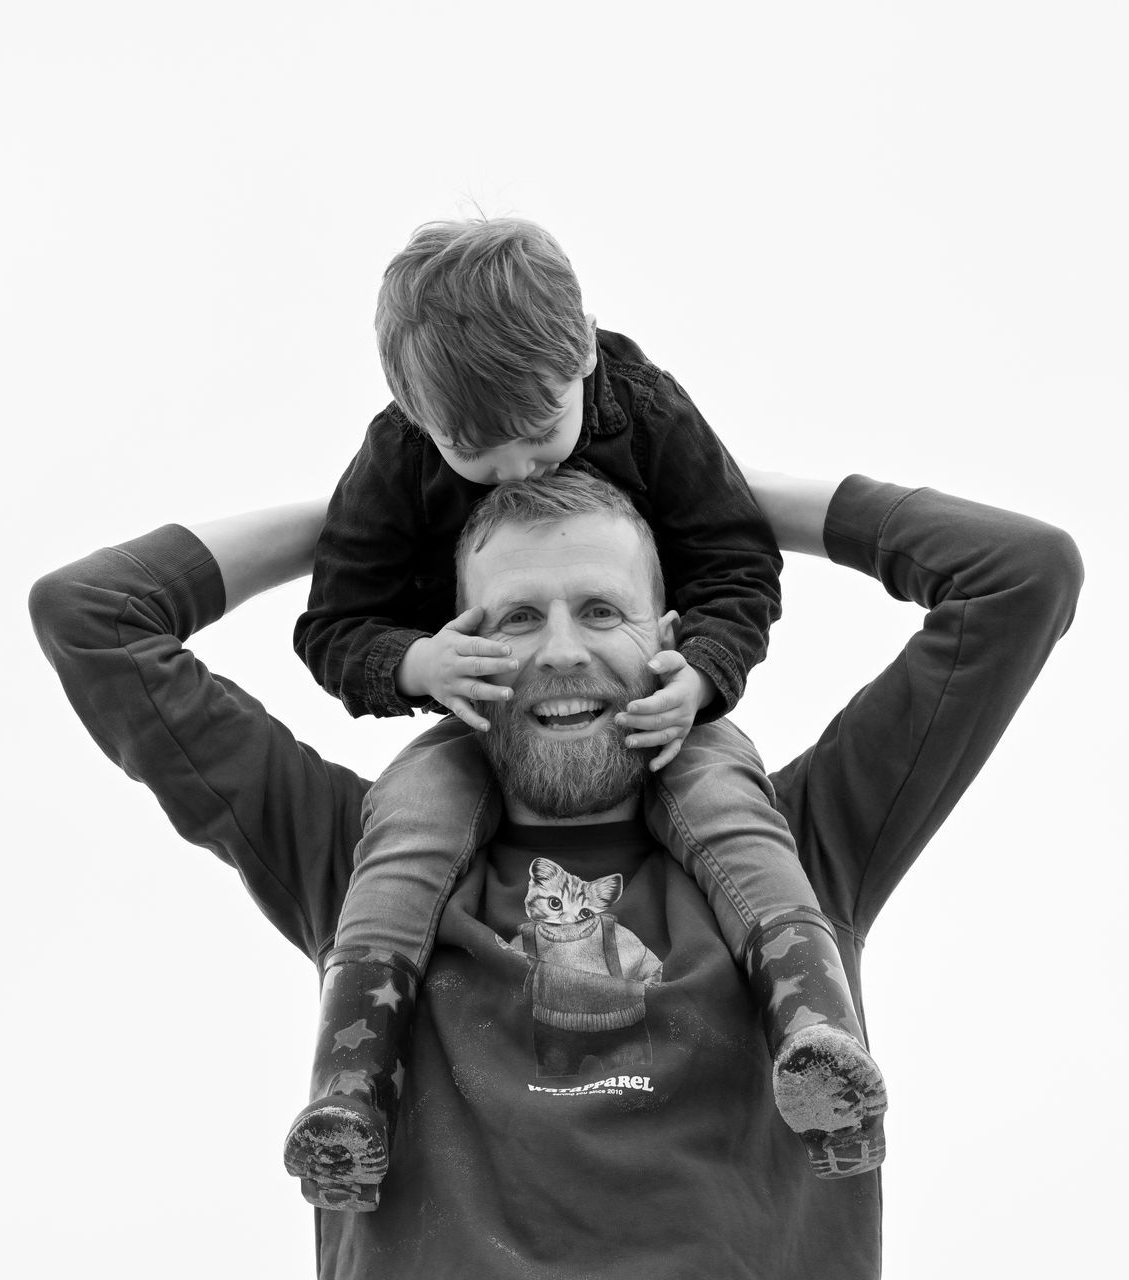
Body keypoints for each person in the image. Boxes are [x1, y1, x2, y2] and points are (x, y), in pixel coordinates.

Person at [28, 468, 1078, 1278]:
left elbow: (1022, 575)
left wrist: (710, 492)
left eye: (603, 610)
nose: (563, 650)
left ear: (672, 641)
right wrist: (370, 519)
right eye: (517, 617)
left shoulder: (798, 846)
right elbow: (92, 616)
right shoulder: (364, 862)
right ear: (454, 650)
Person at [288, 217, 872, 1209]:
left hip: (656, 706)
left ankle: (817, 1033)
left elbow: (737, 560)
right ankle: (351, 1087)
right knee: (407, 824)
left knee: (731, 805)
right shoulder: (395, 456)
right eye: (476, 454)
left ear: (586, 355)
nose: (521, 470)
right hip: (486, 720)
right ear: (416, 417)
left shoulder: (646, 408)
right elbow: (334, 623)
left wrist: (702, 676)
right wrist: (417, 661)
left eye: (541, 434)